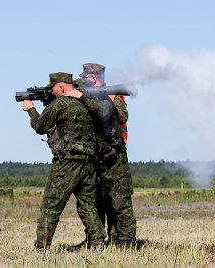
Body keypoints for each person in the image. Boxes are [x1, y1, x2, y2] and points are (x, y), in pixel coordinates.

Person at [22, 72, 106, 251]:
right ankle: (98, 243)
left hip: (67, 162)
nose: (51, 92)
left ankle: (42, 248)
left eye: (53, 88)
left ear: (61, 87)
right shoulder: (86, 104)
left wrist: (30, 109)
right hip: (88, 161)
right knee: (87, 204)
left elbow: (40, 126)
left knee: (51, 204)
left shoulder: (61, 104)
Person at [65, 63, 136, 248]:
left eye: (85, 78)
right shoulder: (83, 95)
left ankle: (124, 240)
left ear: (94, 78)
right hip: (93, 155)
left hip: (114, 155)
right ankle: (95, 240)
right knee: (95, 200)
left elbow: (121, 116)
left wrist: (96, 100)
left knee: (119, 200)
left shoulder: (113, 94)